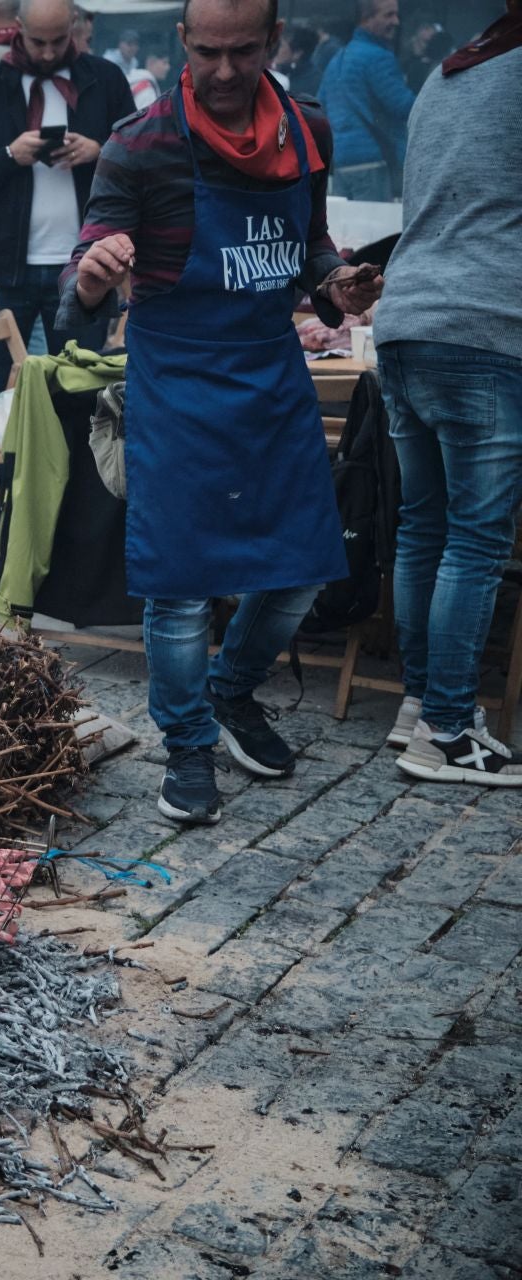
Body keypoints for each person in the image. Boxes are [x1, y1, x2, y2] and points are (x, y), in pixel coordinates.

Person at [60, 0, 382, 824]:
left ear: (274, 42)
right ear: (183, 45)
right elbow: (79, 285)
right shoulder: (141, 142)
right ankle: (189, 742)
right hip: (176, 382)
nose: (227, 71)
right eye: (209, 53)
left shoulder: (306, 130)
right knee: (179, 586)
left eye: (245, 51)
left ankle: (233, 691)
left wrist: (334, 284)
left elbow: (309, 245)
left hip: (272, 377)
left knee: (305, 564)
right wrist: (94, 277)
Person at [373, 5, 522, 785]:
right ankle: (450, 731)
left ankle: (420, 706)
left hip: (406, 322)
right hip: (484, 326)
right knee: (474, 540)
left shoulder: (449, 69)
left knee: (424, 529)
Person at [0, 0, 131, 391]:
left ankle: (75, 456)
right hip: (2, 268)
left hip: (83, 269)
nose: (47, 52)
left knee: (82, 392)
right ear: (17, 28)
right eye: (37, 41)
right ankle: (5, 457)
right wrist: (10, 156)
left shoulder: (105, 80)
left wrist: (100, 152)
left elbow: (138, 166)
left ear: (74, 26)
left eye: (58, 41)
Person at [319, 0, 414, 199]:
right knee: (379, 228)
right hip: (374, 161)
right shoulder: (378, 57)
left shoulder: (337, 59)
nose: (396, 21)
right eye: (388, 15)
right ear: (366, 19)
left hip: (342, 162)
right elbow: (403, 106)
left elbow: (321, 107)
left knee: (348, 228)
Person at [401, 20, 448, 87]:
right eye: (427, 41)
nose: (431, 44)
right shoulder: (402, 56)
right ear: (421, 31)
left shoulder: (431, 63)